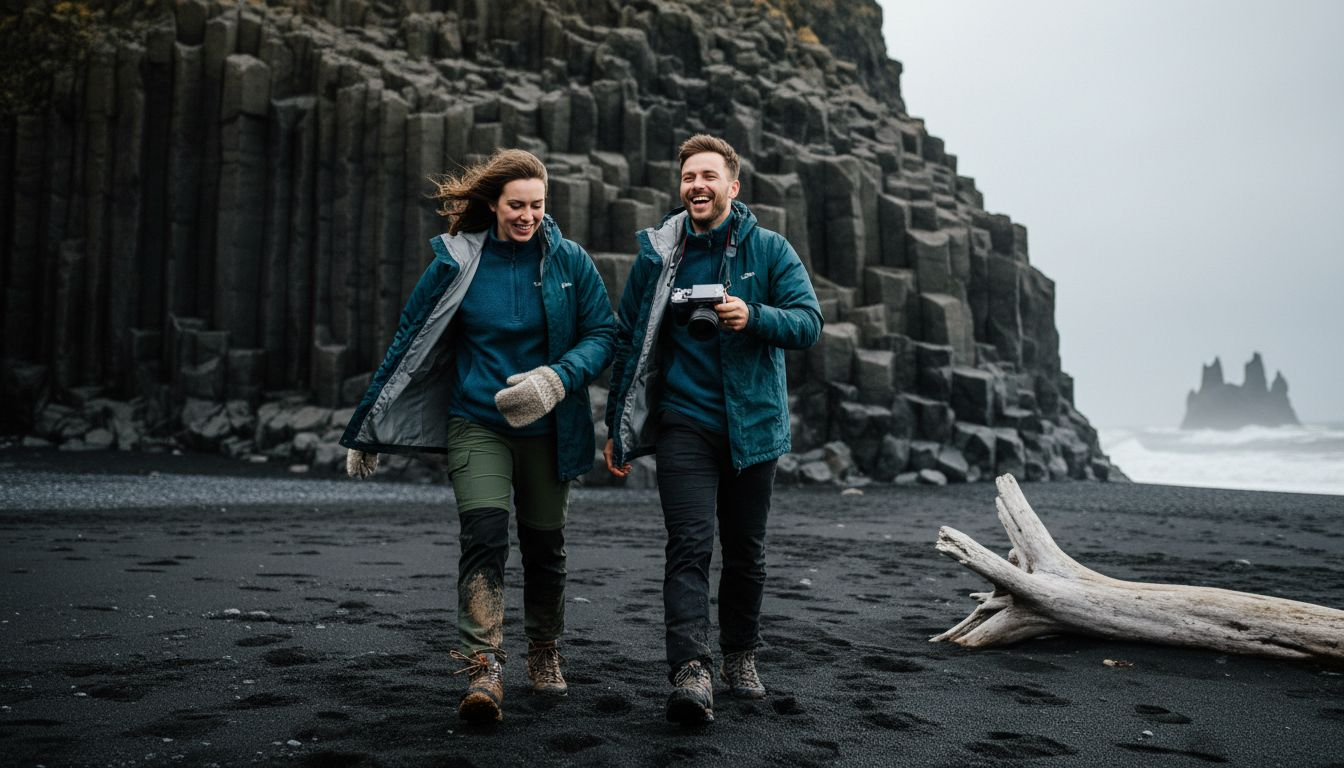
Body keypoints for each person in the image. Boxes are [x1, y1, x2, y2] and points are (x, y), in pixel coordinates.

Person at [341, 148, 615, 723]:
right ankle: (483, 664)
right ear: (493, 204)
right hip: (476, 423)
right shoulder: (455, 261)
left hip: (549, 428)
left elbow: (604, 335)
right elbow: (408, 341)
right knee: (484, 536)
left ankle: (543, 649)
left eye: (538, 205)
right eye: (517, 205)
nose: (528, 216)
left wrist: (556, 378)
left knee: (545, 549)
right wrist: (365, 428)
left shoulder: (570, 262)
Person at [603, 135, 822, 724]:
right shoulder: (659, 253)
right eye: (688, 178)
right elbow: (627, 339)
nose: (697, 186)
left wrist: (753, 316)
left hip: (754, 426)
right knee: (690, 547)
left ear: (733, 185)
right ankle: (690, 673)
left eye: (708, 176)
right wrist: (615, 426)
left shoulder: (771, 249)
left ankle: (739, 657)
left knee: (746, 554)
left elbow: (809, 323)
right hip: (685, 422)